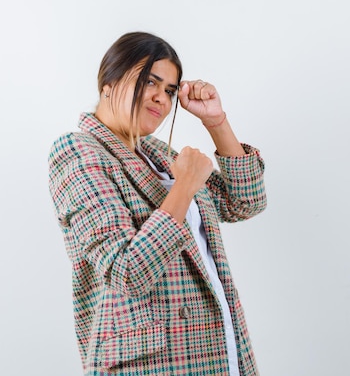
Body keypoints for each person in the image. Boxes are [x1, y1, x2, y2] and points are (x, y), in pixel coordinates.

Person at [48, 32, 267, 375]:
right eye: (149, 81)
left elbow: (246, 202)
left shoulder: (161, 156)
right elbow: (127, 271)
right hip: (155, 364)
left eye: (169, 90)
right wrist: (184, 186)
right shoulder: (78, 151)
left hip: (218, 351)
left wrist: (216, 121)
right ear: (109, 82)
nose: (161, 98)